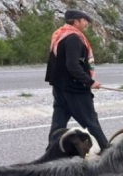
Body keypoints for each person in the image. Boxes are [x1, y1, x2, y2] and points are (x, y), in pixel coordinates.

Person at [45, 9, 108, 150]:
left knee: (59, 123)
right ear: (76, 21)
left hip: (60, 86)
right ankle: (108, 152)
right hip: (74, 88)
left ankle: (51, 153)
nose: (86, 23)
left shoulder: (60, 35)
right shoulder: (73, 38)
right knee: (90, 121)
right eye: (84, 20)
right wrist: (90, 82)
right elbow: (73, 65)